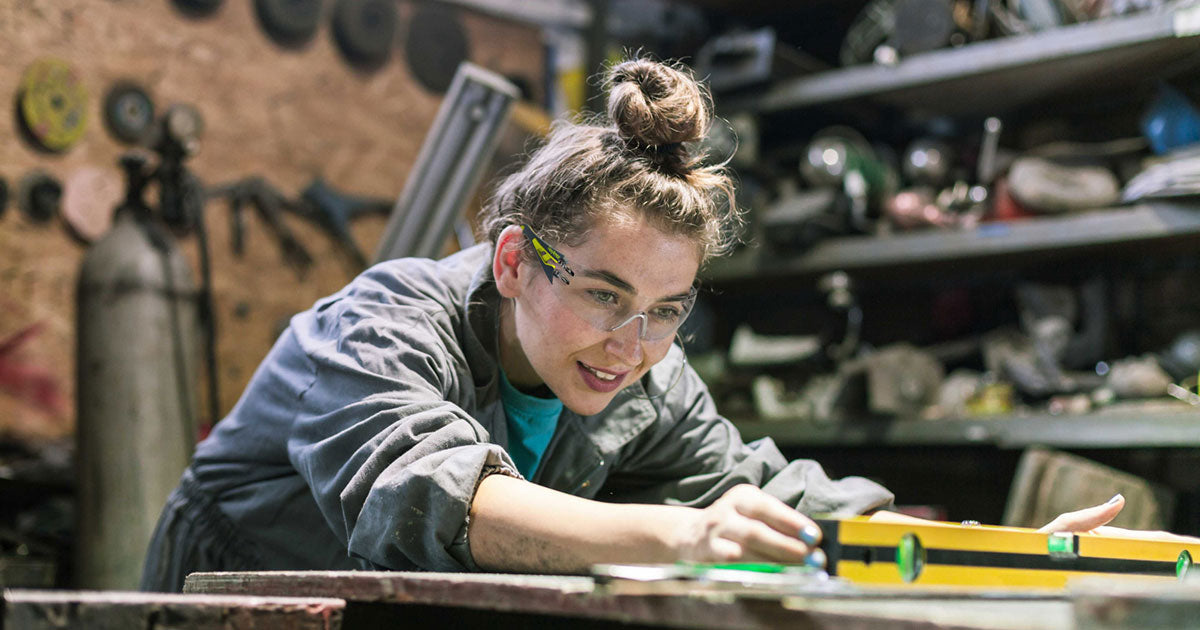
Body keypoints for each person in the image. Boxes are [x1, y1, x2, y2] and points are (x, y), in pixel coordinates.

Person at [141, 58, 1145, 592]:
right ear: (513, 261)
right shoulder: (380, 327)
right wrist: (685, 537)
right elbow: (445, 503)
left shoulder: (644, 378)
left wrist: (990, 551)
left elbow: (768, 496)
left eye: (668, 310)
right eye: (606, 297)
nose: (633, 346)